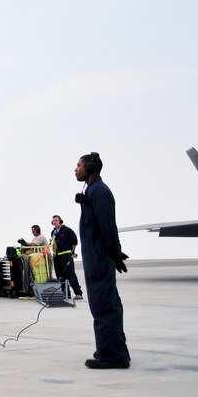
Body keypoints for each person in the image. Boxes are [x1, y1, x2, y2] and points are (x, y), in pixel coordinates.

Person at [75, 152, 130, 369]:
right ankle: (112, 348)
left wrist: (115, 254)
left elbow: (108, 226)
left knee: (104, 305)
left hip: (99, 258)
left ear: (90, 167)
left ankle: (113, 355)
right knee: (105, 304)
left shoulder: (99, 192)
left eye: (79, 165)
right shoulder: (92, 191)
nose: (75, 169)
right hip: (95, 257)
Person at [50, 214, 82, 300]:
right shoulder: (53, 232)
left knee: (70, 274)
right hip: (57, 257)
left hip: (66, 255)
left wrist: (71, 253)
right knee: (60, 276)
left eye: (56, 220)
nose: (54, 222)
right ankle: (66, 293)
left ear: (60, 221)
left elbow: (74, 242)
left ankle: (78, 293)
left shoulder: (67, 230)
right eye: (53, 221)